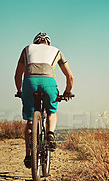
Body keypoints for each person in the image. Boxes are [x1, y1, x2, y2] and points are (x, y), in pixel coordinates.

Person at [14, 32, 74, 168]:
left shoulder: (27, 49)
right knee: (52, 112)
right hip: (48, 83)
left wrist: (20, 91)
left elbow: (17, 75)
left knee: (30, 120)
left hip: (29, 82)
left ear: (35, 42)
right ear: (48, 43)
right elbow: (70, 77)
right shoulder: (56, 51)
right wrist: (67, 92)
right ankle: (51, 134)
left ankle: (29, 156)